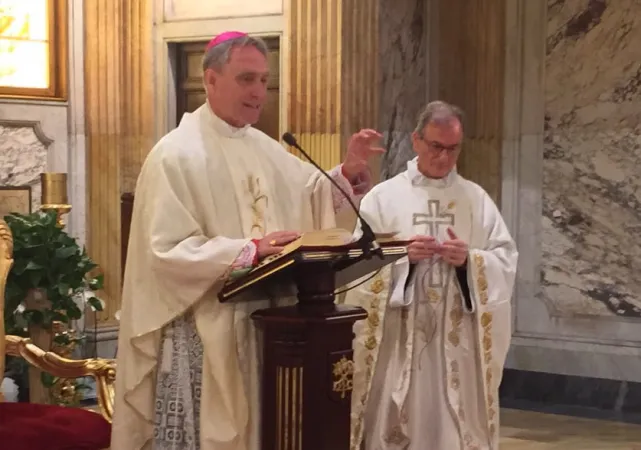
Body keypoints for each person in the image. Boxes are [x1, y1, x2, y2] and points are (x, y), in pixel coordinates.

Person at [111, 31, 383, 450]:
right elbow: (164, 253)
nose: (259, 92)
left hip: (267, 325)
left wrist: (345, 175)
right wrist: (248, 251)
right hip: (205, 326)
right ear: (211, 79)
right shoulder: (175, 155)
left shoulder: (267, 148)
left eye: (263, 80)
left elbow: (311, 195)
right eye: (246, 79)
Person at [344, 101, 518, 450]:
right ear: (416, 141)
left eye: (453, 149)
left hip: (456, 343)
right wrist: (401, 258)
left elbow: (505, 259)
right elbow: (355, 265)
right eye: (436, 146)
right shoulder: (383, 198)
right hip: (399, 333)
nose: (444, 157)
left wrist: (470, 261)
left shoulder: (475, 198)